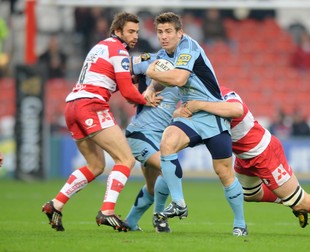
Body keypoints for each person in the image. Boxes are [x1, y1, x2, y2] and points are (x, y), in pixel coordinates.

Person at [180, 86, 310, 237]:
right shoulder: (197, 101)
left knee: (303, 201)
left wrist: (199, 106)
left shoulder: (223, 94)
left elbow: (238, 109)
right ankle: (290, 200)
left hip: (264, 152)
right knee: (248, 195)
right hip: (244, 157)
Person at [41, 12, 156, 232]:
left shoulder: (100, 46)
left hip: (72, 106)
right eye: (130, 31)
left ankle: (56, 204)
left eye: (137, 32)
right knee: (125, 159)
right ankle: (107, 211)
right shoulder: (119, 50)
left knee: (95, 166)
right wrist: (146, 100)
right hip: (91, 105)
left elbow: (109, 72)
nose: (134, 36)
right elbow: (128, 92)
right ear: (117, 31)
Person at [144, 12, 247, 236]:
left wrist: (149, 70)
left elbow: (179, 78)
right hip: (190, 114)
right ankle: (174, 206)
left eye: (169, 31)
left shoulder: (188, 47)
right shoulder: (164, 53)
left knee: (224, 172)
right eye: (160, 32)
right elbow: (162, 78)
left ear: (179, 32)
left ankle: (240, 223)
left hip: (212, 114)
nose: (164, 36)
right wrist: (151, 88)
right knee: (167, 144)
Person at [124, 52, 179, 233]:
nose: (165, 36)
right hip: (140, 133)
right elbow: (122, 71)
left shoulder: (184, 73)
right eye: (162, 32)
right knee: (169, 169)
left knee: (152, 187)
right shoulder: (150, 60)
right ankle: (160, 218)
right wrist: (137, 96)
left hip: (159, 138)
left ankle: (130, 222)